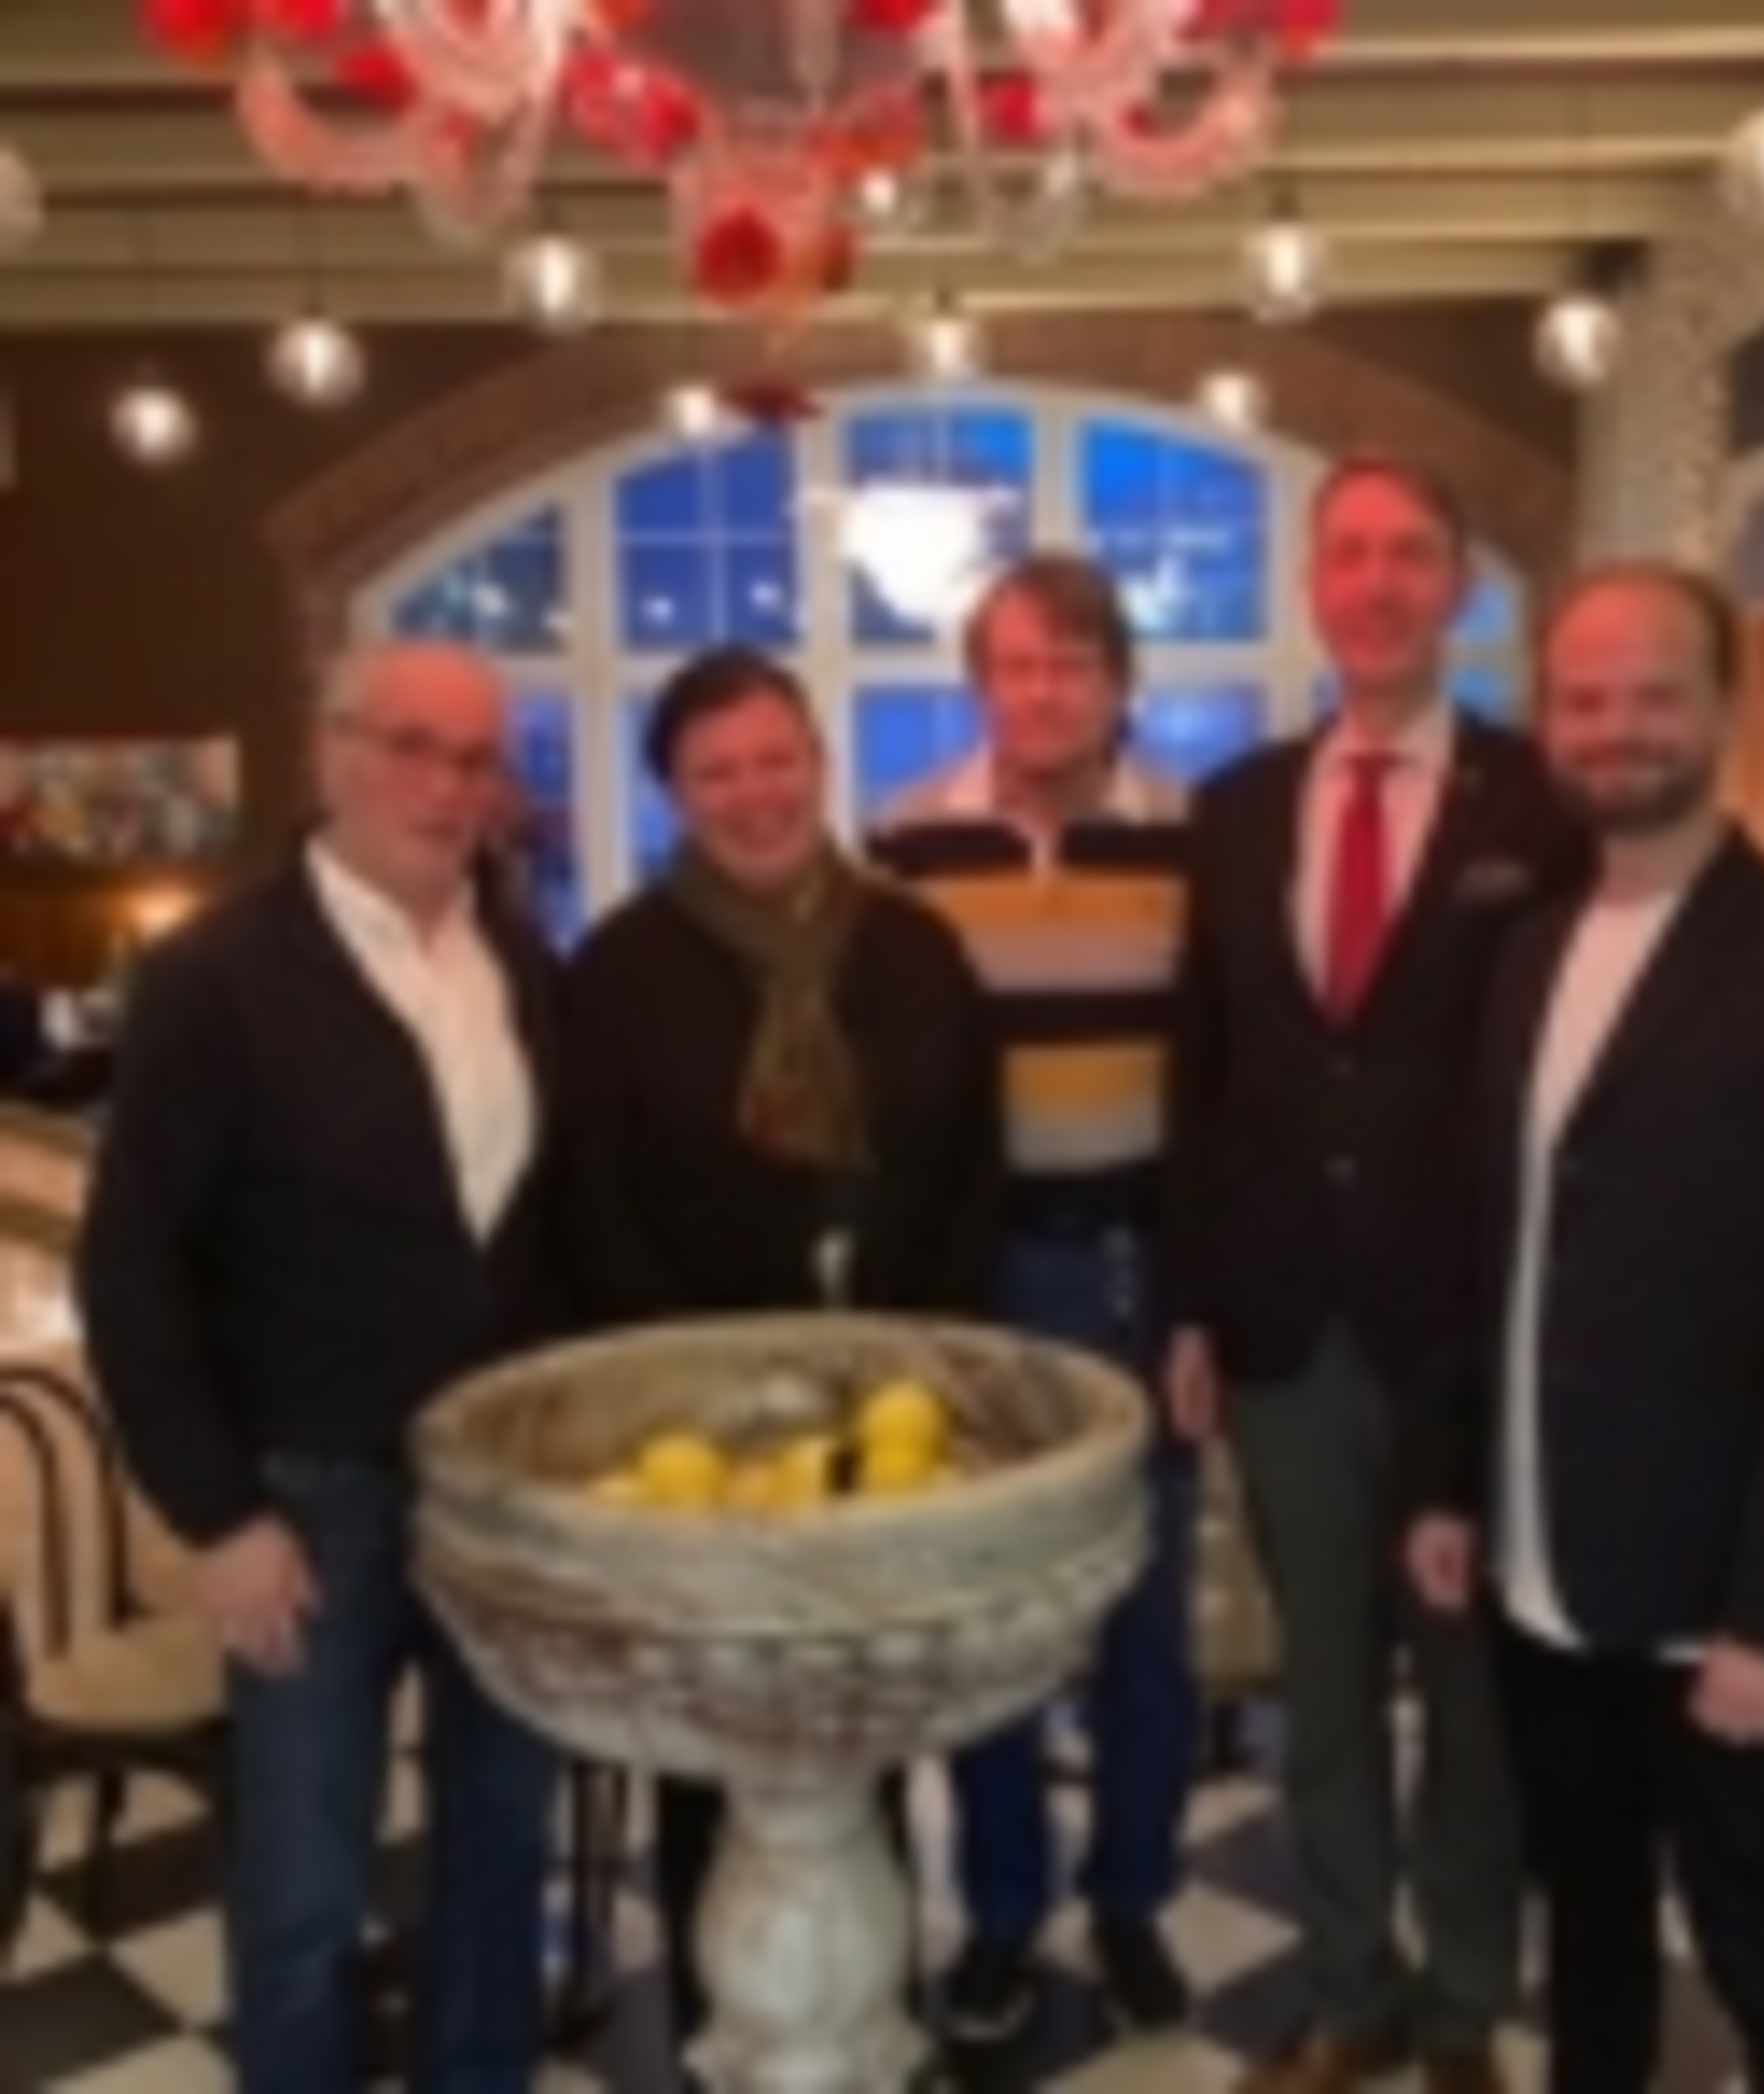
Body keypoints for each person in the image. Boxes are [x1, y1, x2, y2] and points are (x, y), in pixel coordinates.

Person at [1408, 563, 1764, 2094]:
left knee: (1761, 1936)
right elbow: (1483, 1245)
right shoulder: (1527, 950)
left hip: (1712, 1591)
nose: (1617, 727)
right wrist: (1446, 1479)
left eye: (1655, 694)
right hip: (1539, 1562)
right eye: (1584, 698)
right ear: (1545, 719)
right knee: (1585, 1917)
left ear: (1723, 708)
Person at [75, 640, 561, 2094]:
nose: (444, 785)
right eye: (410, 745)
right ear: (331, 751)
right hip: (307, 1500)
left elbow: (543, 1231)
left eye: (473, 758)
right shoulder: (214, 975)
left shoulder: (522, 961)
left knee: (499, 1848)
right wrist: (217, 1514)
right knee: (302, 1886)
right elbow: (131, 1266)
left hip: (501, 1496)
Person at [1164, 456, 1585, 2094]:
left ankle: (1463, 2000)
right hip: (1283, 1327)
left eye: (1411, 552)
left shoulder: (1536, 802)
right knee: (1323, 1689)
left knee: (1470, 1699)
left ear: (1457, 586)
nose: (1379, 582)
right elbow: (1202, 1069)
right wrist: (1191, 1299)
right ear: (1309, 585)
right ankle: (1351, 1988)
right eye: (1348, 553)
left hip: (1470, 1325)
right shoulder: (1234, 807)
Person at [559, 643, 1000, 2086]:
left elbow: (970, 1164)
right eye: (715, 771)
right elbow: (591, 1193)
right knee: (719, 1729)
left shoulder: (914, 945)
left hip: (890, 1411)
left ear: (817, 760)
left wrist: (912, 1357)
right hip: (700, 1427)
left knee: (869, 1706)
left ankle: (867, 2017)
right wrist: (707, 1377)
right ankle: (734, 2032)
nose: (752, 793)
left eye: (774, 758)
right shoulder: (619, 968)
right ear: (673, 792)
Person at [872, 551, 1200, 2045]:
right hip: (980, 1274)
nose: (1043, 691)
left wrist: (1204, 1303)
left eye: (1072, 663)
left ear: (1119, 681)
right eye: (1015, 664)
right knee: (993, 1621)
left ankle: (1130, 1899)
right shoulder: (905, 843)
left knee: (1144, 1628)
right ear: (977, 683)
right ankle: (1002, 1908)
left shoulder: (1195, 838)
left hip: (1142, 1265)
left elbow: (1225, 1086)